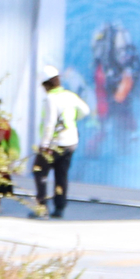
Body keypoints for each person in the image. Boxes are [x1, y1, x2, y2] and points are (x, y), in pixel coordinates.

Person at [34, 72, 92, 218]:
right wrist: (72, 120)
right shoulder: (69, 95)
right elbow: (85, 110)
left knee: (39, 171)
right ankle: (59, 208)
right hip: (70, 142)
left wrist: (44, 144)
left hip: (54, 143)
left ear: (46, 84)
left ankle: (42, 208)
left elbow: (50, 123)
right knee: (61, 175)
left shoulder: (50, 99)